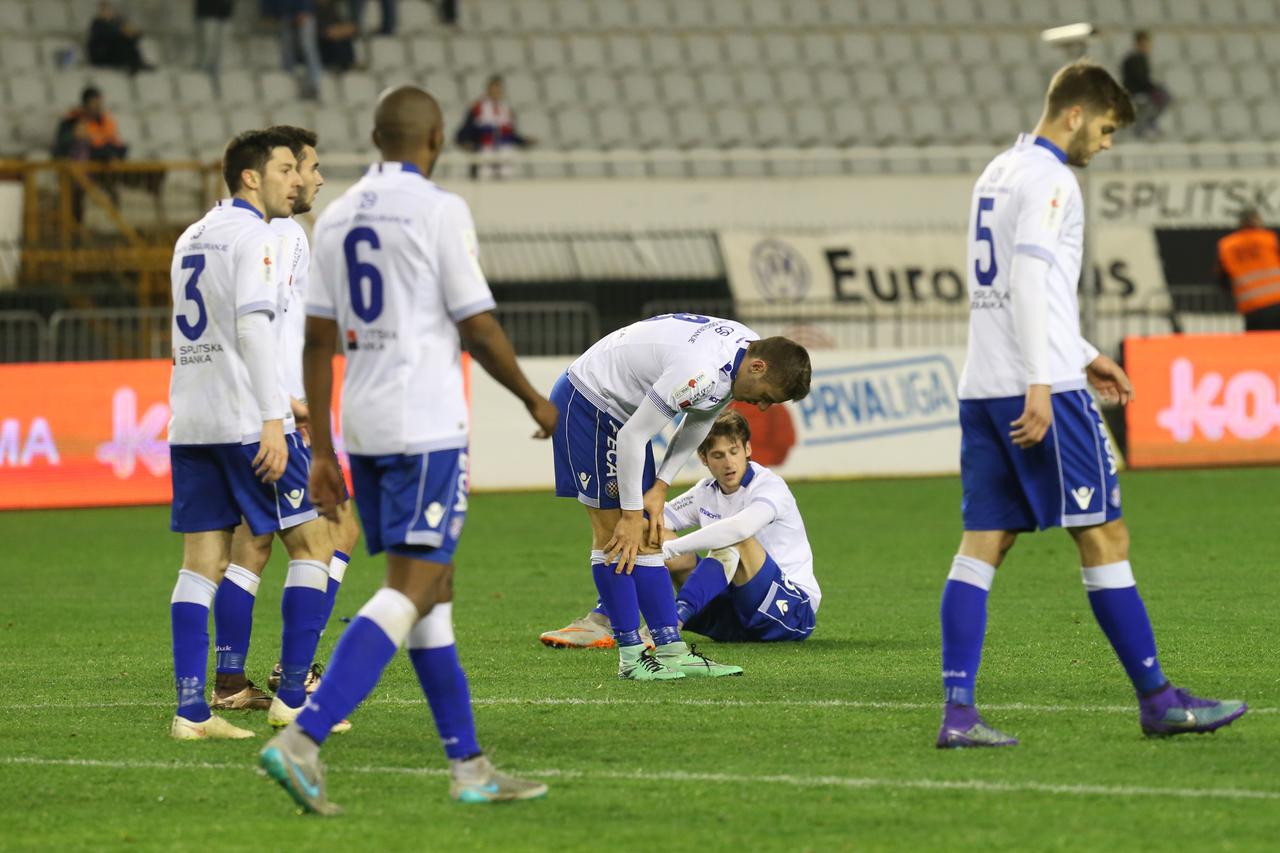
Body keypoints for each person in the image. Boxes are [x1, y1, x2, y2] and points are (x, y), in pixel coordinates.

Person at [259, 85, 557, 814]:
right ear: (436, 140)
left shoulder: (336, 216)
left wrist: (324, 447)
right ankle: (304, 736)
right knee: (413, 585)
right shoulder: (439, 209)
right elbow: (478, 326)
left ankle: (469, 765)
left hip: (363, 422)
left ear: (373, 134)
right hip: (425, 423)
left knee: (434, 591)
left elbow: (318, 339)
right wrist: (533, 397)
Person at [937, 61, 1246, 748]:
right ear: (1075, 115)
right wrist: (1048, 377)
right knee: (1104, 534)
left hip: (983, 383)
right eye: (1106, 129)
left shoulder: (1000, 170)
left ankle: (958, 714)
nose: (1106, 144)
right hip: (1033, 385)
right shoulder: (1052, 178)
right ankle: (1159, 699)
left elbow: (1013, 288)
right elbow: (1026, 276)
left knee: (984, 543)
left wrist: (1080, 349)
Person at [548, 313, 811, 681]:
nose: (763, 408)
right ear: (758, 366)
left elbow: (701, 419)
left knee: (648, 534)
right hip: (590, 403)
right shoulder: (700, 369)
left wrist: (660, 486)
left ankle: (671, 649)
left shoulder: (739, 354)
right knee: (617, 534)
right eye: (767, 397)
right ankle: (631, 655)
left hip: (623, 416)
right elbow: (631, 439)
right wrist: (629, 514)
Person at [208, 126, 362, 730]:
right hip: (274, 411)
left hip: (238, 408)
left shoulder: (224, 230)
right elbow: (267, 325)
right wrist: (292, 404)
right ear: (280, 173)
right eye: (308, 167)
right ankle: (295, 679)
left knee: (254, 541)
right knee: (335, 532)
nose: (315, 179)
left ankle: (226, 680)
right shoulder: (282, 233)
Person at [166, 128, 302, 740]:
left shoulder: (190, 236)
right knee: (317, 543)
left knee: (200, 565)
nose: (294, 180)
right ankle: (295, 698)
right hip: (245, 420)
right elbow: (254, 329)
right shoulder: (256, 237)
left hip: (190, 419)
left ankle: (193, 712)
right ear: (252, 177)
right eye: (283, 169)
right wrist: (274, 419)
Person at [540, 409, 819, 648]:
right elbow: (649, 527)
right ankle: (605, 618)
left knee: (736, 540)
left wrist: (670, 549)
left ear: (747, 450)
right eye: (718, 455)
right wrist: (636, 531)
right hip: (733, 621)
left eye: (734, 452)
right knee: (650, 532)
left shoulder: (770, 486)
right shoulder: (704, 491)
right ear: (703, 459)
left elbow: (739, 529)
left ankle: (671, 622)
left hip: (790, 612)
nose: (729, 462)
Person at [455, 75, 533, 179]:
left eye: (498, 89)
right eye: (493, 89)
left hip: (505, 152)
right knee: (484, 179)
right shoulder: (478, 108)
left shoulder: (507, 109)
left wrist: (524, 141)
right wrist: (464, 140)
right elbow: (467, 128)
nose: (496, 92)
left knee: (506, 180)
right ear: (488, 90)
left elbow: (511, 134)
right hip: (484, 151)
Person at [1216, 207, 1280, 332]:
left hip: (1252, 309)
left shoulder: (1226, 246)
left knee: (1258, 348)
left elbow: (1222, 280)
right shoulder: (1269, 239)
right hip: (1277, 302)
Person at [263, 0, 323, 100]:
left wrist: (305, 10)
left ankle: (313, 84)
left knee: (307, 47)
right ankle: (289, 82)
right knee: (287, 49)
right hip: (285, 15)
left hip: (303, 14)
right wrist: (268, 13)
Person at [53, 86, 127, 162]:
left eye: (99, 103)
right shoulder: (71, 121)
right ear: (85, 104)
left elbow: (115, 144)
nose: (98, 107)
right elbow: (61, 145)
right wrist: (75, 136)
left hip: (103, 165)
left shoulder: (105, 121)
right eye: (94, 103)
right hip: (78, 165)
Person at [1121, 31, 1168, 138]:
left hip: (1143, 90)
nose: (1147, 47)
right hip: (1134, 92)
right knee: (1159, 97)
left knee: (1164, 96)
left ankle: (1149, 122)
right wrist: (1153, 89)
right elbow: (1139, 80)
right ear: (1138, 43)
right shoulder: (1132, 59)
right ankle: (1143, 126)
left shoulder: (1143, 58)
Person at [86, 1, 151, 73]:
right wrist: (123, 32)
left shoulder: (116, 22)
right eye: (105, 10)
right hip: (103, 55)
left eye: (109, 10)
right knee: (122, 41)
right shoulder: (97, 23)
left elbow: (132, 34)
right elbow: (106, 35)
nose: (107, 12)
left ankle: (135, 63)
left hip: (114, 53)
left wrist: (133, 32)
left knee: (129, 40)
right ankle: (133, 63)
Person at [316, 0, 358, 71]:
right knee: (335, 37)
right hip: (323, 40)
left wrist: (342, 29)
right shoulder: (313, 9)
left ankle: (348, 64)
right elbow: (322, 30)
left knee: (344, 35)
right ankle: (338, 65)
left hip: (334, 32)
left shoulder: (333, 6)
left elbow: (345, 25)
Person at [195, 0, 233, 77]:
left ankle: (217, 65)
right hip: (208, 12)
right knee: (208, 41)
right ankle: (204, 66)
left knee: (221, 43)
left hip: (225, 12)